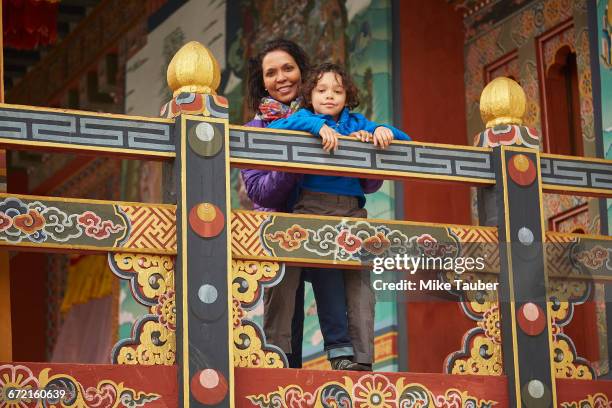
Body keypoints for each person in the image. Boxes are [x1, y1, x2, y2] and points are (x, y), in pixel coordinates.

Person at [267, 62, 411, 371]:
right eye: (321, 91)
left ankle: (361, 358)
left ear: (347, 95)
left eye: (337, 90)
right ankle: (277, 355)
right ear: (310, 95)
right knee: (311, 281)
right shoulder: (305, 117)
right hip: (312, 209)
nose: (329, 96)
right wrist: (317, 128)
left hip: (352, 211)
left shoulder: (355, 123)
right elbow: (275, 130)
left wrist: (385, 132)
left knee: (361, 285)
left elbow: (405, 140)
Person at [241, 40, 359, 370]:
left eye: (288, 68)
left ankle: (343, 358)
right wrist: (297, 161)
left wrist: (367, 141)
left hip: (325, 222)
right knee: (285, 311)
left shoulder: (335, 119)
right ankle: (283, 373)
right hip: (279, 229)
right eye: (271, 72)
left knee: (334, 282)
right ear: (261, 81)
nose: (281, 78)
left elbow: (369, 182)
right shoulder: (256, 130)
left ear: (302, 72)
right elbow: (261, 193)